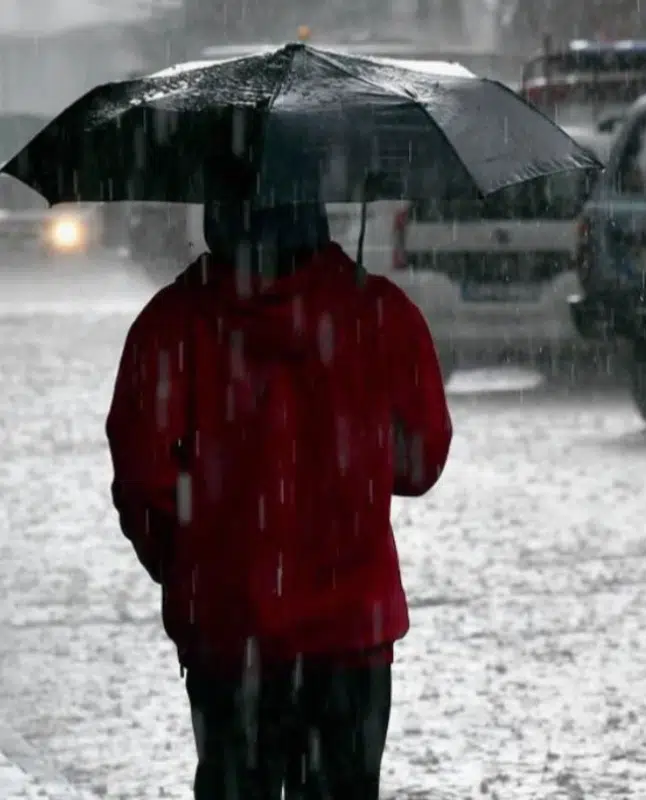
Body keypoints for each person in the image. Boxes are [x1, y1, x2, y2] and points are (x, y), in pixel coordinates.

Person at [105, 157, 453, 800]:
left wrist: (191, 566)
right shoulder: (380, 312)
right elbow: (422, 459)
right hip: (352, 639)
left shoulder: (173, 323)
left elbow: (142, 473)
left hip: (229, 636)